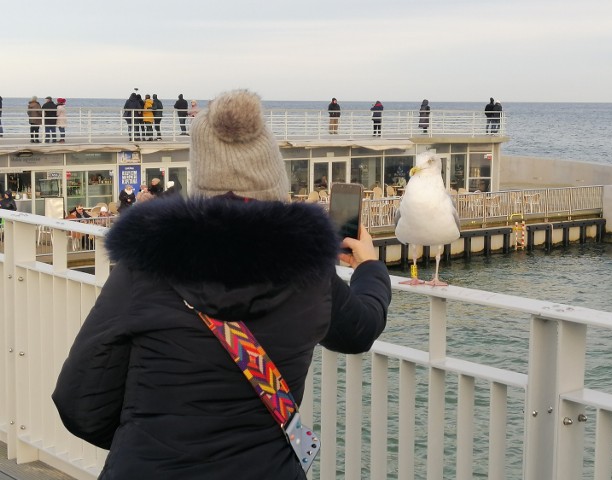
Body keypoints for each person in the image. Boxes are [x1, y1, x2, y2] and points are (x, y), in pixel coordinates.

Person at [52, 88, 391, 479]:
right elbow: (360, 330)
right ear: (271, 172)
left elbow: (78, 402)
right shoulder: (309, 272)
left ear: (202, 175)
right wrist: (369, 267)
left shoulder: (146, 265)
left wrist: (150, 438)